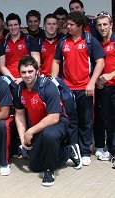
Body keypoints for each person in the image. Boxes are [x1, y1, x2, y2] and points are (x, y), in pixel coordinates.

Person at [14, 56, 82, 186]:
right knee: (35, 165)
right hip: (38, 127)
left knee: (49, 134)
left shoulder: (47, 86)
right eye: (23, 72)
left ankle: (49, 170)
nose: (27, 75)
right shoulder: (18, 89)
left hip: (57, 122)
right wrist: (23, 138)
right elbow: (19, 114)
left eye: (30, 71)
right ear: (20, 73)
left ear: (37, 71)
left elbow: (54, 117)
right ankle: (69, 151)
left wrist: (31, 130)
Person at [51, 11, 105, 166]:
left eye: (71, 24)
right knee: (71, 122)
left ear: (80, 26)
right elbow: (56, 62)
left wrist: (91, 82)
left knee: (86, 121)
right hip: (67, 89)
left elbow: (100, 62)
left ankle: (85, 152)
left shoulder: (90, 41)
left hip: (85, 88)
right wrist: (55, 82)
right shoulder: (62, 42)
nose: (67, 26)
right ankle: (73, 151)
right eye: (67, 24)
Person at [95, 11, 115, 164]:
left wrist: (110, 75)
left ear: (111, 25)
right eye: (99, 25)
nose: (102, 27)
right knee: (107, 122)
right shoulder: (98, 44)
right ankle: (112, 151)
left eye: (105, 24)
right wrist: (97, 80)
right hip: (103, 89)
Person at [0, 13, 40, 83]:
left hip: (28, 79)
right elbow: (1, 66)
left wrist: (23, 78)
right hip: (10, 81)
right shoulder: (3, 44)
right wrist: (13, 80)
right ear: (7, 27)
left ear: (19, 25)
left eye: (15, 24)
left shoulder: (30, 40)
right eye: (10, 25)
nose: (13, 27)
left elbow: (37, 63)